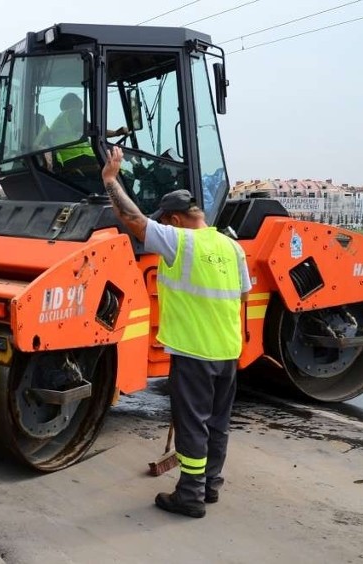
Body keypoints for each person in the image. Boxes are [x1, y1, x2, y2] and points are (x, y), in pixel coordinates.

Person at [101, 146, 251, 519]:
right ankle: (210, 485)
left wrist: (110, 180)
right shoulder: (232, 249)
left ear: (175, 219)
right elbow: (243, 295)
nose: (163, 228)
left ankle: (189, 496)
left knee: (193, 426)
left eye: (165, 222)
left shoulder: (178, 241)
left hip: (193, 354)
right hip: (227, 352)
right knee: (217, 423)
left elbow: (132, 219)